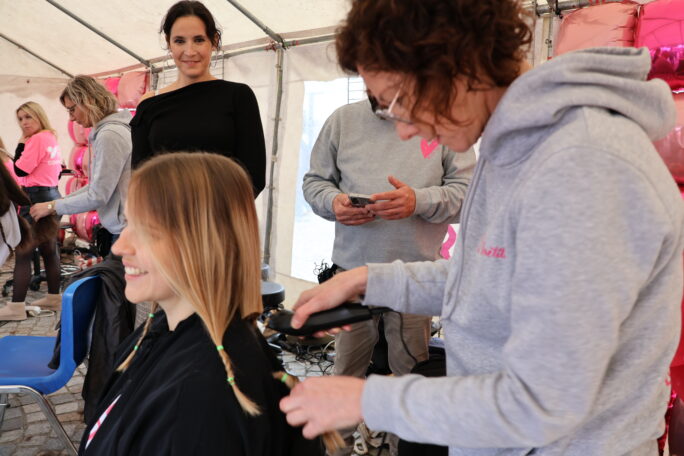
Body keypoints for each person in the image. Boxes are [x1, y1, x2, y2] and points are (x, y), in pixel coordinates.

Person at [280, 1, 684, 455]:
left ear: (458, 62)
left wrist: (367, 398)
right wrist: (367, 280)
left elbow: (540, 402)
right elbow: (490, 275)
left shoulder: (581, 165)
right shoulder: (511, 145)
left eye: (398, 100)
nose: (404, 131)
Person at [79, 153, 331, 456]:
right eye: (129, 223)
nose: (119, 247)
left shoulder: (199, 400)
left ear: (201, 243)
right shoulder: (159, 332)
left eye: (147, 232)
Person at [302, 97, 474, 382]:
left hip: (418, 276)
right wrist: (334, 202)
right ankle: (341, 428)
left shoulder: (447, 122)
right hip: (351, 272)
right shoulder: (342, 120)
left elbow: (469, 196)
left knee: (409, 375)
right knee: (344, 373)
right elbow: (314, 182)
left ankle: (397, 428)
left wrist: (418, 201)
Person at [130, 0, 266, 197]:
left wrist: (205, 217)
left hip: (220, 222)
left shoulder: (237, 96)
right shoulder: (150, 104)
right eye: (179, 41)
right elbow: (140, 180)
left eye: (199, 40)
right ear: (169, 43)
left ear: (214, 41)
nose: (190, 51)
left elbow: (253, 178)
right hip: (164, 223)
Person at [31, 76, 132, 264]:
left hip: (126, 231)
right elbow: (97, 186)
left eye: (72, 109)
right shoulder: (108, 132)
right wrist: (58, 203)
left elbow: (98, 195)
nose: (71, 117)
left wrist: (53, 206)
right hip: (123, 229)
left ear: (89, 101)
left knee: (117, 291)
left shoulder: (109, 135)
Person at [0, 102, 62, 321]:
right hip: (52, 195)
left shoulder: (36, 139)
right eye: (20, 119)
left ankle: (16, 306)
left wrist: (19, 145)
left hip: (35, 198)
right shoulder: (51, 137)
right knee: (49, 248)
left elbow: (19, 169)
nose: (24, 123)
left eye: (28, 117)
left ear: (39, 116)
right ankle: (54, 297)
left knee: (23, 251)